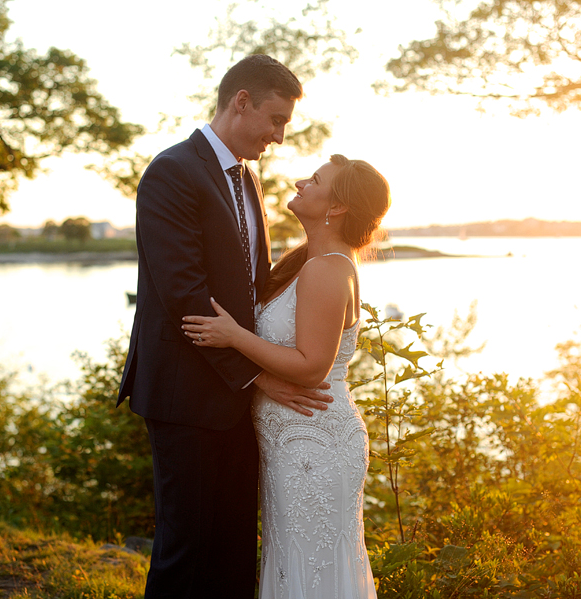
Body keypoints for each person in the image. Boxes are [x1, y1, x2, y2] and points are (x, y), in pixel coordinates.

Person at [116, 55, 332, 599]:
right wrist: (257, 375)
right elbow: (184, 294)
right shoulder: (172, 172)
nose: (280, 136)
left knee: (235, 548)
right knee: (186, 550)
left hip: (239, 399)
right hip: (184, 395)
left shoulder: (246, 178)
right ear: (241, 102)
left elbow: (252, 287)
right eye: (276, 119)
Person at [182, 154, 391, 598]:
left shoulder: (327, 269)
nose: (300, 182)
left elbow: (313, 367)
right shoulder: (307, 262)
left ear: (337, 208)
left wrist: (235, 337)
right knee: (292, 565)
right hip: (293, 442)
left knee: (312, 569)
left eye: (314, 180)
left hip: (315, 439)